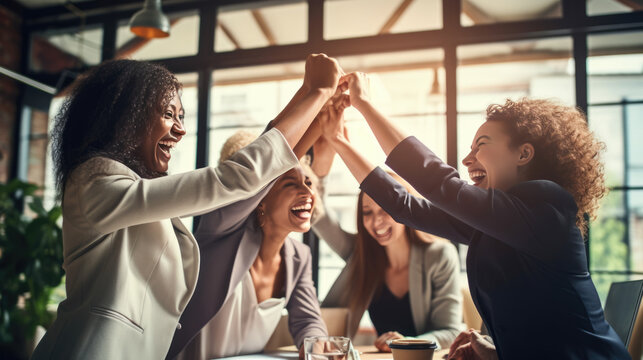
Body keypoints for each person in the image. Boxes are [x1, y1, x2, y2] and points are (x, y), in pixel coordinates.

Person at [32, 54, 344, 360]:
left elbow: (258, 176)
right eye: (169, 114)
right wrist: (316, 93)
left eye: (181, 117)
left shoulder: (132, 192)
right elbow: (236, 180)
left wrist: (310, 95)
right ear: (125, 119)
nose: (180, 130)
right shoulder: (96, 180)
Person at [317, 71, 630, 359]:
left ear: (523, 153)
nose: (468, 160)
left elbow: (438, 183)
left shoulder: (547, 210)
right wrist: (338, 141)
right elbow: (405, 207)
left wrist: (365, 104)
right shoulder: (500, 222)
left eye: (481, 145)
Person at [308, 111, 463, 352]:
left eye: (386, 211)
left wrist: (405, 343)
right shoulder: (360, 253)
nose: (376, 222)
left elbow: (451, 331)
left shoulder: (440, 255)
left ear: (404, 208)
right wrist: (327, 151)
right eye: (367, 213)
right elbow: (318, 215)